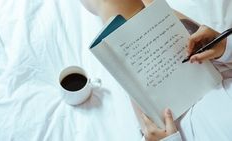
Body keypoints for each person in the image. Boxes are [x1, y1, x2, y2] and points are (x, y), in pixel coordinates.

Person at [80, 0, 232, 140]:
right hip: (209, 63)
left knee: (113, 3)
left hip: (171, 122)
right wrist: (226, 47)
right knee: (150, 10)